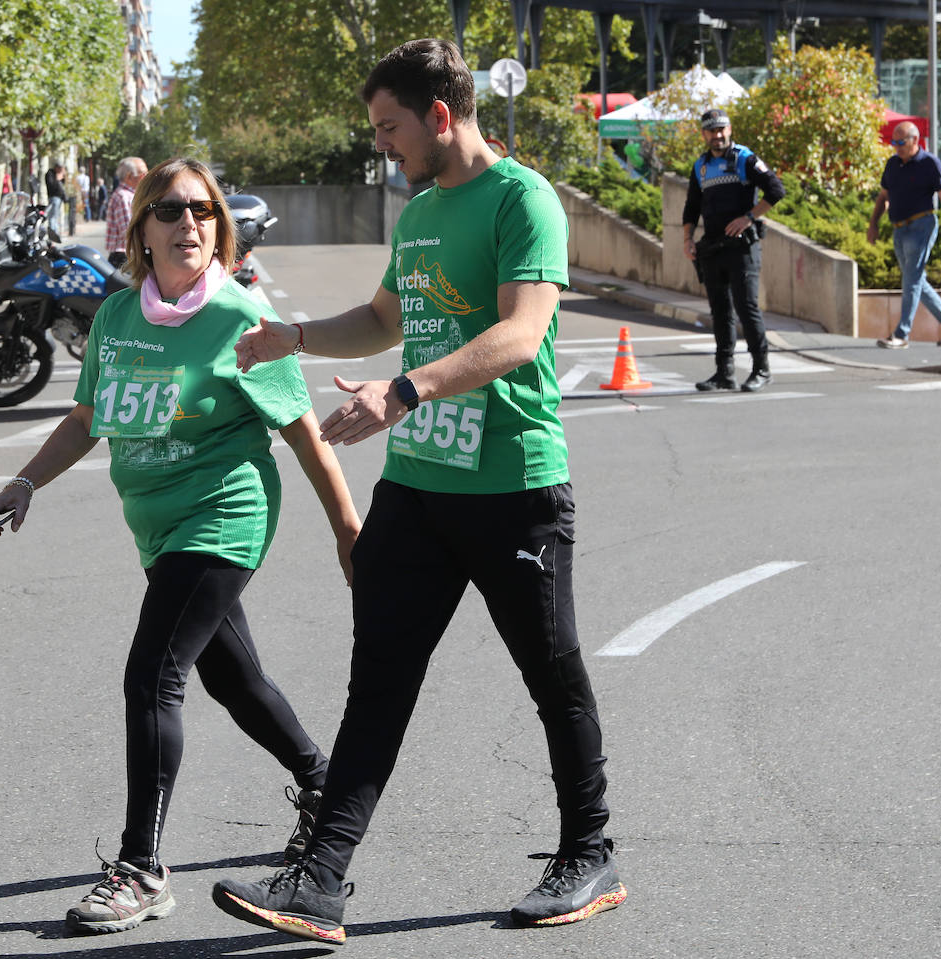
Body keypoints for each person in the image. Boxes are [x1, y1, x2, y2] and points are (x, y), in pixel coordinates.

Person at [210, 38, 625, 946]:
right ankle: (319, 880)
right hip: (418, 488)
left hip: (514, 485)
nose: (382, 147)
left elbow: (521, 333)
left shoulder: (524, 199)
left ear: (441, 116)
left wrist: (402, 391)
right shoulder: (424, 211)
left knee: (551, 674)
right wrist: (297, 335)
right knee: (379, 679)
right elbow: (386, 318)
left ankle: (589, 850)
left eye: (390, 128)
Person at [0, 156, 361, 936]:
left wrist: (350, 533)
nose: (191, 224)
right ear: (141, 228)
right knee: (233, 677)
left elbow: (306, 436)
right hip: (157, 527)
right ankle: (323, 784)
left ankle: (141, 867)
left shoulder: (241, 319)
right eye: (172, 211)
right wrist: (25, 482)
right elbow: (87, 420)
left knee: (153, 674)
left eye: (204, 212)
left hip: (224, 516)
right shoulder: (117, 318)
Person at [681, 107, 785, 392]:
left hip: (742, 249)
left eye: (722, 129)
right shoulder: (700, 166)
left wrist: (749, 217)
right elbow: (691, 207)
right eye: (712, 130)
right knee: (721, 312)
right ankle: (724, 373)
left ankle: (761, 369)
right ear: (704, 134)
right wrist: (688, 240)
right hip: (713, 249)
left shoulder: (744, 158)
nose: (718, 135)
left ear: (730, 130)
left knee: (747, 308)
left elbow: (776, 190)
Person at [867, 121, 941, 349]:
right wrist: (873, 224)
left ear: (915, 140)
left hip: (922, 225)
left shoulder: (930, 163)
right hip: (899, 228)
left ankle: (901, 334)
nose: (897, 147)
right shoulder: (892, 164)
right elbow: (883, 197)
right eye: (894, 142)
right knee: (915, 280)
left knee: (910, 280)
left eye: (901, 142)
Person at [106, 157, 146, 268]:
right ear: (129, 176)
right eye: (143, 173)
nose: (146, 177)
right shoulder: (124, 197)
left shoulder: (128, 195)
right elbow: (130, 232)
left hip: (126, 255)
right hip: (124, 256)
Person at [45, 162, 67, 236]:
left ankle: (55, 232)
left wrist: (63, 177)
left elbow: (63, 185)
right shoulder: (50, 174)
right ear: (57, 167)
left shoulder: (58, 175)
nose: (61, 171)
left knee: (56, 216)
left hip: (59, 198)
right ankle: (53, 234)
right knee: (52, 217)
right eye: (60, 169)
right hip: (54, 197)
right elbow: (52, 186)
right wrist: (57, 179)